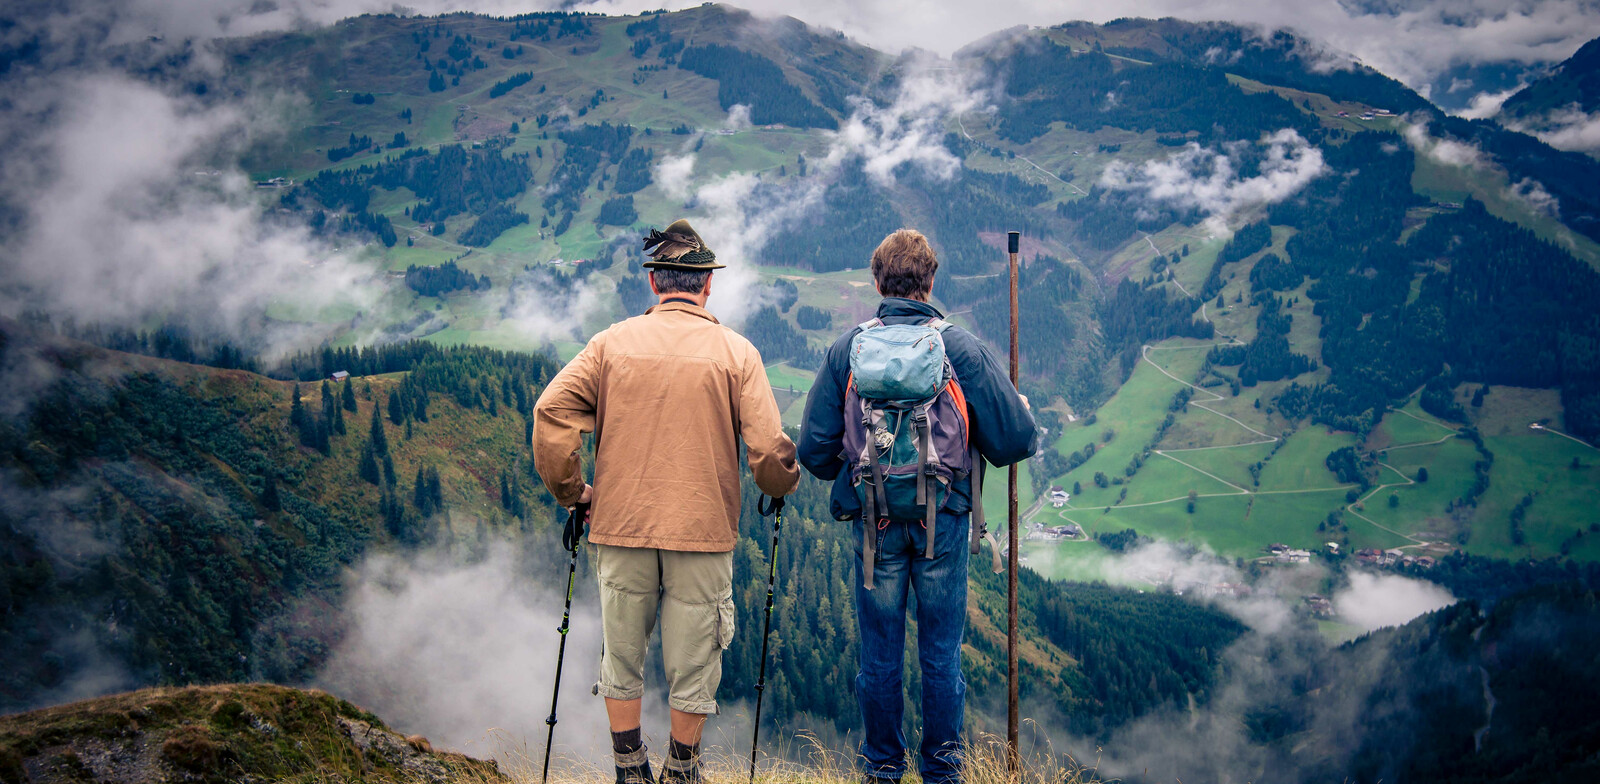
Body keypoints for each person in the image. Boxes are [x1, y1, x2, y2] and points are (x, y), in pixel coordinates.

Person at [533, 219, 800, 784]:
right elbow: (769, 452)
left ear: (655, 282)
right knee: (695, 658)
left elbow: (552, 415)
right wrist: (780, 485)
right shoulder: (737, 353)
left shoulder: (608, 345)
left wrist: (574, 493)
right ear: (706, 285)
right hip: (701, 533)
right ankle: (684, 771)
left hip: (620, 523)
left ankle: (630, 769)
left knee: (622, 655)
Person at [797, 228, 1035, 784]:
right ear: (930, 283)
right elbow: (1014, 441)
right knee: (941, 653)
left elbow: (813, 450)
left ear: (878, 282)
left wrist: (861, 473)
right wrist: (1014, 410)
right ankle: (942, 771)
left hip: (874, 523)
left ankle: (881, 768)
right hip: (945, 522)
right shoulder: (960, 348)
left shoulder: (847, 351)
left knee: (879, 655)